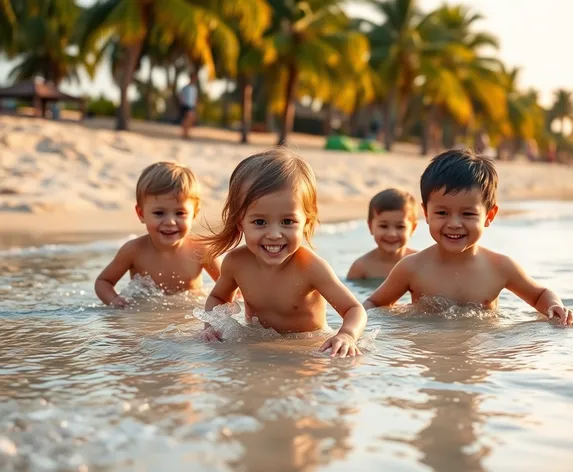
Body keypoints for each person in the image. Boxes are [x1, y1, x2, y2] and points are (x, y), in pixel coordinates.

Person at [363, 149, 572, 326]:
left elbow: (539, 295)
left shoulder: (500, 267)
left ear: (489, 216)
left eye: (468, 214)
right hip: (427, 354)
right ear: (426, 214)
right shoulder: (411, 268)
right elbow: (373, 304)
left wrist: (555, 307)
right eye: (442, 213)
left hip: (481, 356)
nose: (454, 223)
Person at [200, 148, 368, 357]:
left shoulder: (310, 267)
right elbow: (217, 297)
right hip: (256, 345)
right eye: (260, 222)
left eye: (287, 222)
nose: (274, 234)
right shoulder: (236, 263)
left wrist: (347, 335)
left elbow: (354, 309)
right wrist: (213, 327)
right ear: (240, 222)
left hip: (307, 349)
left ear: (307, 221)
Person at [95, 161, 221, 307]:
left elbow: (228, 284)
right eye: (159, 213)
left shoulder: (201, 250)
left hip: (188, 319)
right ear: (141, 214)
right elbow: (103, 282)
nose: (170, 222)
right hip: (145, 318)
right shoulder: (133, 251)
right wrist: (115, 301)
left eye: (180, 213)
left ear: (194, 214)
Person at [347, 188, 418, 280]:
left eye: (400, 227)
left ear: (413, 228)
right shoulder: (361, 267)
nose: (392, 234)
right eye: (383, 226)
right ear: (370, 227)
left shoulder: (421, 263)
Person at [178, 72, 198, 139]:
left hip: (192, 106)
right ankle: (185, 134)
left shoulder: (194, 89)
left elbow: (195, 98)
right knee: (187, 119)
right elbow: (181, 96)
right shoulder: (185, 88)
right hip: (185, 105)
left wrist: (196, 105)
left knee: (191, 119)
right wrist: (181, 104)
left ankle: (186, 133)